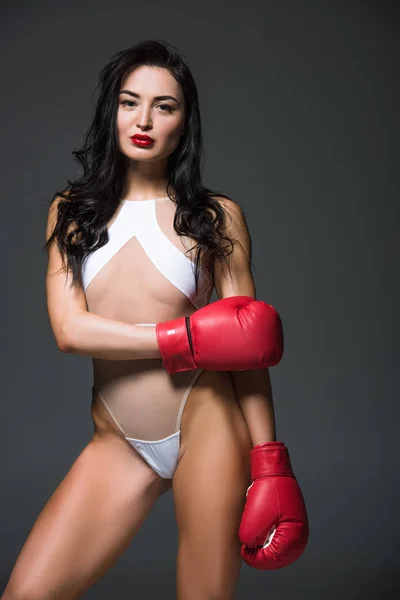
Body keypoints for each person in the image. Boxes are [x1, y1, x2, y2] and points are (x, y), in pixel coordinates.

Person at [1, 39, 308, 600]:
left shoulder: (215, 218)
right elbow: (70, 331)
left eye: (164, 106)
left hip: (207, 423)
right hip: (117, 437)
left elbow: (250, 353)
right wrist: (186, 337)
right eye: (129, 102)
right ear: (110, 110)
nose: (143, 120)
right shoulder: (70, 212)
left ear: (185, 122)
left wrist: (270, 463)